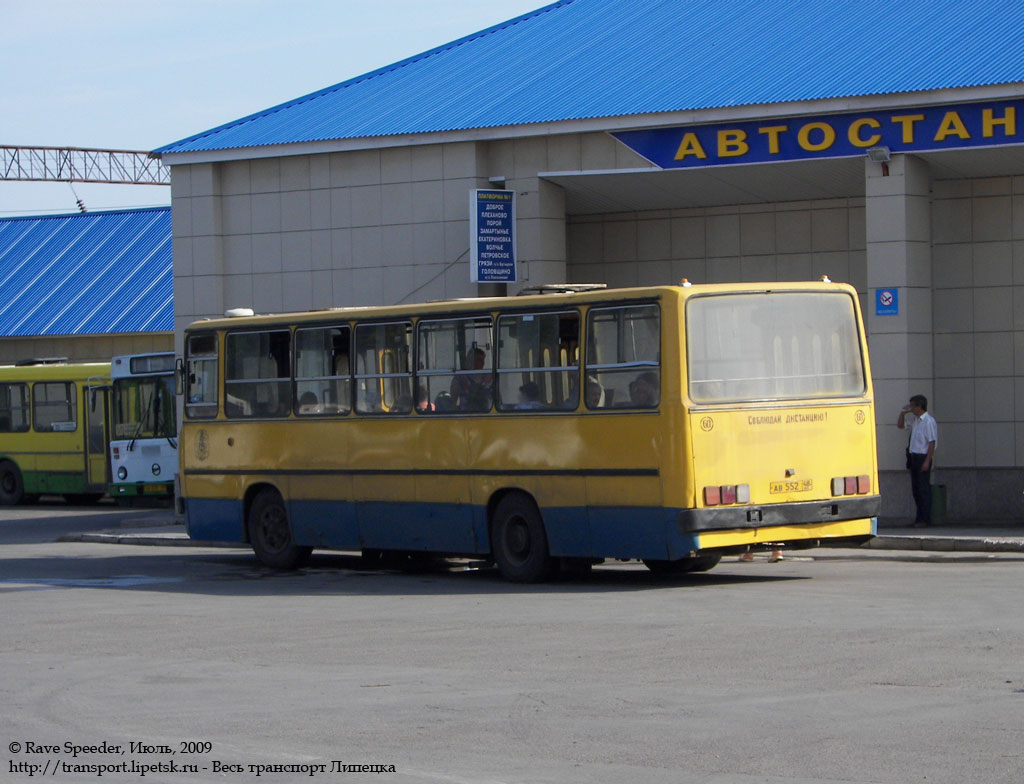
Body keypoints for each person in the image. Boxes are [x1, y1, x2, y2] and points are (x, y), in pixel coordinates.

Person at [897, 394, 938, 527]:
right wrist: (902, 413)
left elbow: (932, 442)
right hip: (914, 457)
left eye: (913, 405)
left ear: (919, 406)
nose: (911, 408)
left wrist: (927, 461)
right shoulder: (915, 421)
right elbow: (900, 426)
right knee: (916, 490)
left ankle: (925, 519)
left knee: (923, 489)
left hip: (922, 457)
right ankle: (919, 518)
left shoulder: (928, 421)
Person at [450, 347, 492, 411]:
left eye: (483, 360)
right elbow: (453, 400)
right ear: (471, 360)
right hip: (466, 415)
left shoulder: (489, 378)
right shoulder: (460, 378)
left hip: (486, 414)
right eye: (479, 360)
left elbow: (497, 399)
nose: (482, 363)